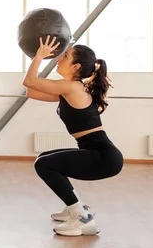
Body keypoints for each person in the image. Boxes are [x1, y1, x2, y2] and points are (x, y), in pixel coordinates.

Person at [22, 35, 123, 236]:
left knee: (43, 165)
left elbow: (29, 81)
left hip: (103, 157)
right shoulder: (69, 90)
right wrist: (38, 59)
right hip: (98, 153)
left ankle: (83, 218)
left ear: (76, 67)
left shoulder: (72, 87)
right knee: (44, 158)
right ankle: (74, 208)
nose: (59, 58)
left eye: (65, 56)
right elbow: (30, 91)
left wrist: (39, 56)